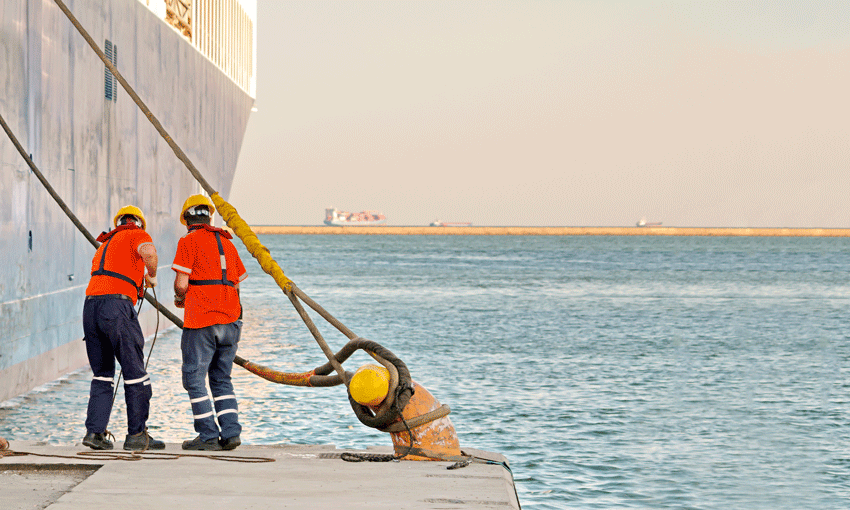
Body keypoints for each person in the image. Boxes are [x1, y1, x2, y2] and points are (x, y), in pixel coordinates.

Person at [82, 205, 165, 451]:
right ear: (137, 222)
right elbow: (149, 253)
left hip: (90, 308)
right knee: (135, 372)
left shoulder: (105, 246)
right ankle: (137, 434)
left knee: (102, 374)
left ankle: (95, 433)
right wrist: (152, 275)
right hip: (116, 308)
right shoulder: (136, 233)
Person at [172, 195, 247, 451]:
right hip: (231, 320)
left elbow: (182, 283)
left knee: (194, 378)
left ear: (187, 220)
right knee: (221, 378)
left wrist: (180, 298)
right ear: (209, 218)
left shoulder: (189, 241)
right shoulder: (228, 243)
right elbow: (236, 283)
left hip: (202, 320)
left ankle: (207, 436)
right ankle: (231, 433)